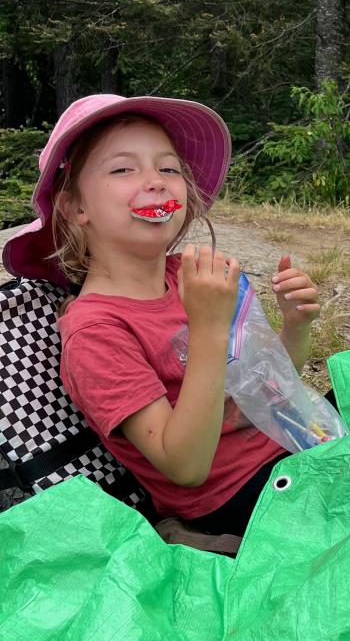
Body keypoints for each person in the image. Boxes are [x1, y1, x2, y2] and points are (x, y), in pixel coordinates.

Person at [2, 94, 321, 542]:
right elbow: (185, 465)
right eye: (123, 169)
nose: (155, 181)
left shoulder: (186, 276)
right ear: (76, 207)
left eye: (168, 168)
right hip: (233, 497)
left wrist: (295, 325)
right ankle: (193, 540)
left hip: (293, 439)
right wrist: (208, 328)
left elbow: (266, 383)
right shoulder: (97, 330)